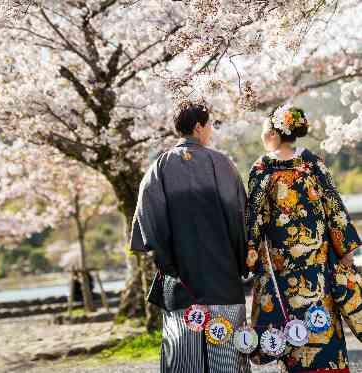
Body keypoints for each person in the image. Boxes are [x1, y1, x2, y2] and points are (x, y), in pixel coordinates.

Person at [130, 101, 250, 373]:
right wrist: (241, 263)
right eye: (209, 125)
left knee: (185, 362)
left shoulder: (157, 169)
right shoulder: (222, 165)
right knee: (227, 360)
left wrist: (167, 262)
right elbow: (240, 219)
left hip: (181, 285)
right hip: (222, 280)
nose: (210, 130)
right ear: (198, 127)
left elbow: (147, 225)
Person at [246, 105, 362, 372]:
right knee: (323, 324)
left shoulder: (262, 169)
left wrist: (250, 253)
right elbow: (334, 208)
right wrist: (345, 250)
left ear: (274, 132)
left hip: (282, 271)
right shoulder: (313, 164)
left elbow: (254, 219)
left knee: (292, 329)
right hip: (318, 265)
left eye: (265, 129)